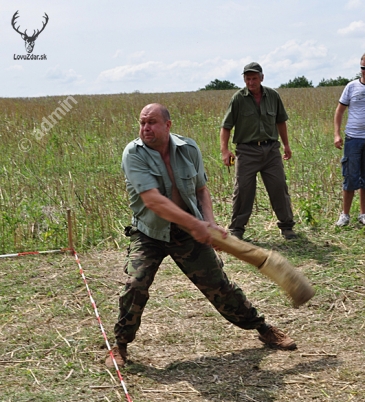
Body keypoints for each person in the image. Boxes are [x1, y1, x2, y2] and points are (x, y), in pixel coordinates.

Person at [106, 103, 297, 369]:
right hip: (149, 233)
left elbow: (201, 190)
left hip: (188, 230)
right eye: (142, 123)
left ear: (167, 125)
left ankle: (263, 328)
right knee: (136, 285)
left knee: (219, 285)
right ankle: (120, 345)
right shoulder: (134, 153)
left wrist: (209, 222)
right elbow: (154, 201)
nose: (145, 128)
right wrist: (196, 224)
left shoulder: (188, 148)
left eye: (151, 122)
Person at [220, 62, 297, 240]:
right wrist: (225, 151)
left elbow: (281, 121)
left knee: (278, 187)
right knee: (244, 190)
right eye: (247, 78)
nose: (251, 82)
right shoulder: (238, 99)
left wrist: (286, 145)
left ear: (261, 78)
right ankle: (237, 230)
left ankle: (287, 226)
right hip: (246, 151)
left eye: (254, 78)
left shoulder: (273, 96)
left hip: (271, 150)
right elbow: (226, 126)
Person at [334, 54, 365, 227]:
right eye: (363, 67)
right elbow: (339, 111)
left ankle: (363, 214)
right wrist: (337, 134)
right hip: (353, 138)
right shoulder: (351, 87)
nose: (364, 71)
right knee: (350, 177)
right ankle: (345, 215)